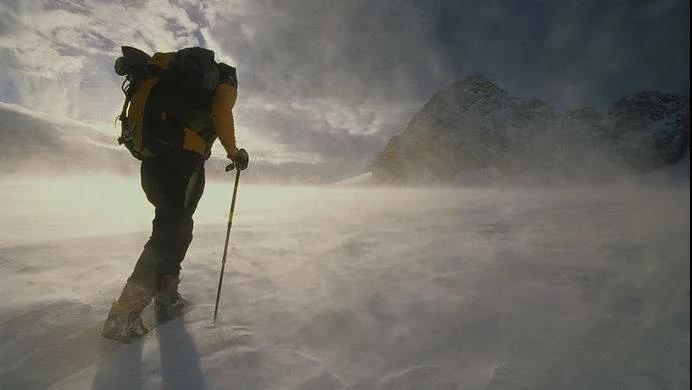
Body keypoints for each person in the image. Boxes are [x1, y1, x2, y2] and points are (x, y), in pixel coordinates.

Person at [102, 49, 249, 343]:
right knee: (170, 234)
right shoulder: (225, 78)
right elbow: (221, 112)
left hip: (153, 160)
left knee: (174, 228)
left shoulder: (168, 73)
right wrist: (235, 153)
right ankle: (123, 317)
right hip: (182, 161)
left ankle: (167, 297)